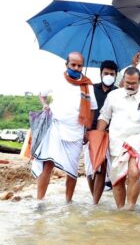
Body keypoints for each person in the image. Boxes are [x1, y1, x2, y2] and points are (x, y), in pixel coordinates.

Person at [32, 52, 98, 203]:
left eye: (79, 65)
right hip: (56, 126)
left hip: (76, 131)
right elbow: (41, 94)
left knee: (72, 169)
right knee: (48, 163)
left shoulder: (87, 85)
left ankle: (68, 202)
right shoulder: (56, 79)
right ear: (66, 65)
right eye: (73, 65)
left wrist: (87, 131)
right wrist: (45, 104)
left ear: (83, 67)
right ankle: (39, 201)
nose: (76, 68)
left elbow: (92, 109)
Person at [97, 67, 140, 210]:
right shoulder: (113, 96)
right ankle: (120, 210)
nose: (130, 86)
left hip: (139, 140)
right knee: (118, 179)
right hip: (117, 142)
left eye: (133, 83)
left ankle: (130, 208)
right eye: (127, 82)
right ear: (123, 80)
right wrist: (98, 136)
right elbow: (104, 117)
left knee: (134, 173)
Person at [83, 60, 118, 205]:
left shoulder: (117, 92)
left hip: (107, 134)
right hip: (90, 133)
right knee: (90, 170)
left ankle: (95, 203)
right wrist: (84, 129)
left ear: (116, 75)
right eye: (106, 73)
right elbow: (84, 108)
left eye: (112, 74)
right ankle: (94, 198)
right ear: (101, 73)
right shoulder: (90, 89)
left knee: (101, 167)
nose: (108, 76)